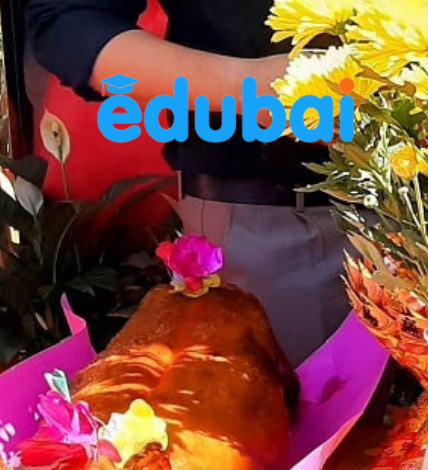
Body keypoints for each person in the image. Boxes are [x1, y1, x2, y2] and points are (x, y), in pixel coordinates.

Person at [27, 0, 349, 364]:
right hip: (281, 229)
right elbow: (68, 21)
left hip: (404, 201)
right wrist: (249, 88)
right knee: (291, 394)